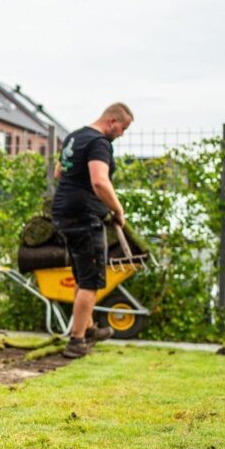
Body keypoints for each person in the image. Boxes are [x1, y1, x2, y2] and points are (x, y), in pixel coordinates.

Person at [51, 102, 134, 359]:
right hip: (85, 217)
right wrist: (118, 211)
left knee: (81, 274)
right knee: (91, 280)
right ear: (112, 121)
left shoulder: (74, 137)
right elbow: (99, 181)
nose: (122, 134)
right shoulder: (99, 143)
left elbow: (58, 173)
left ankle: (87, 329)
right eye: (123, 128)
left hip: (63, 213)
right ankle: (76, 341)